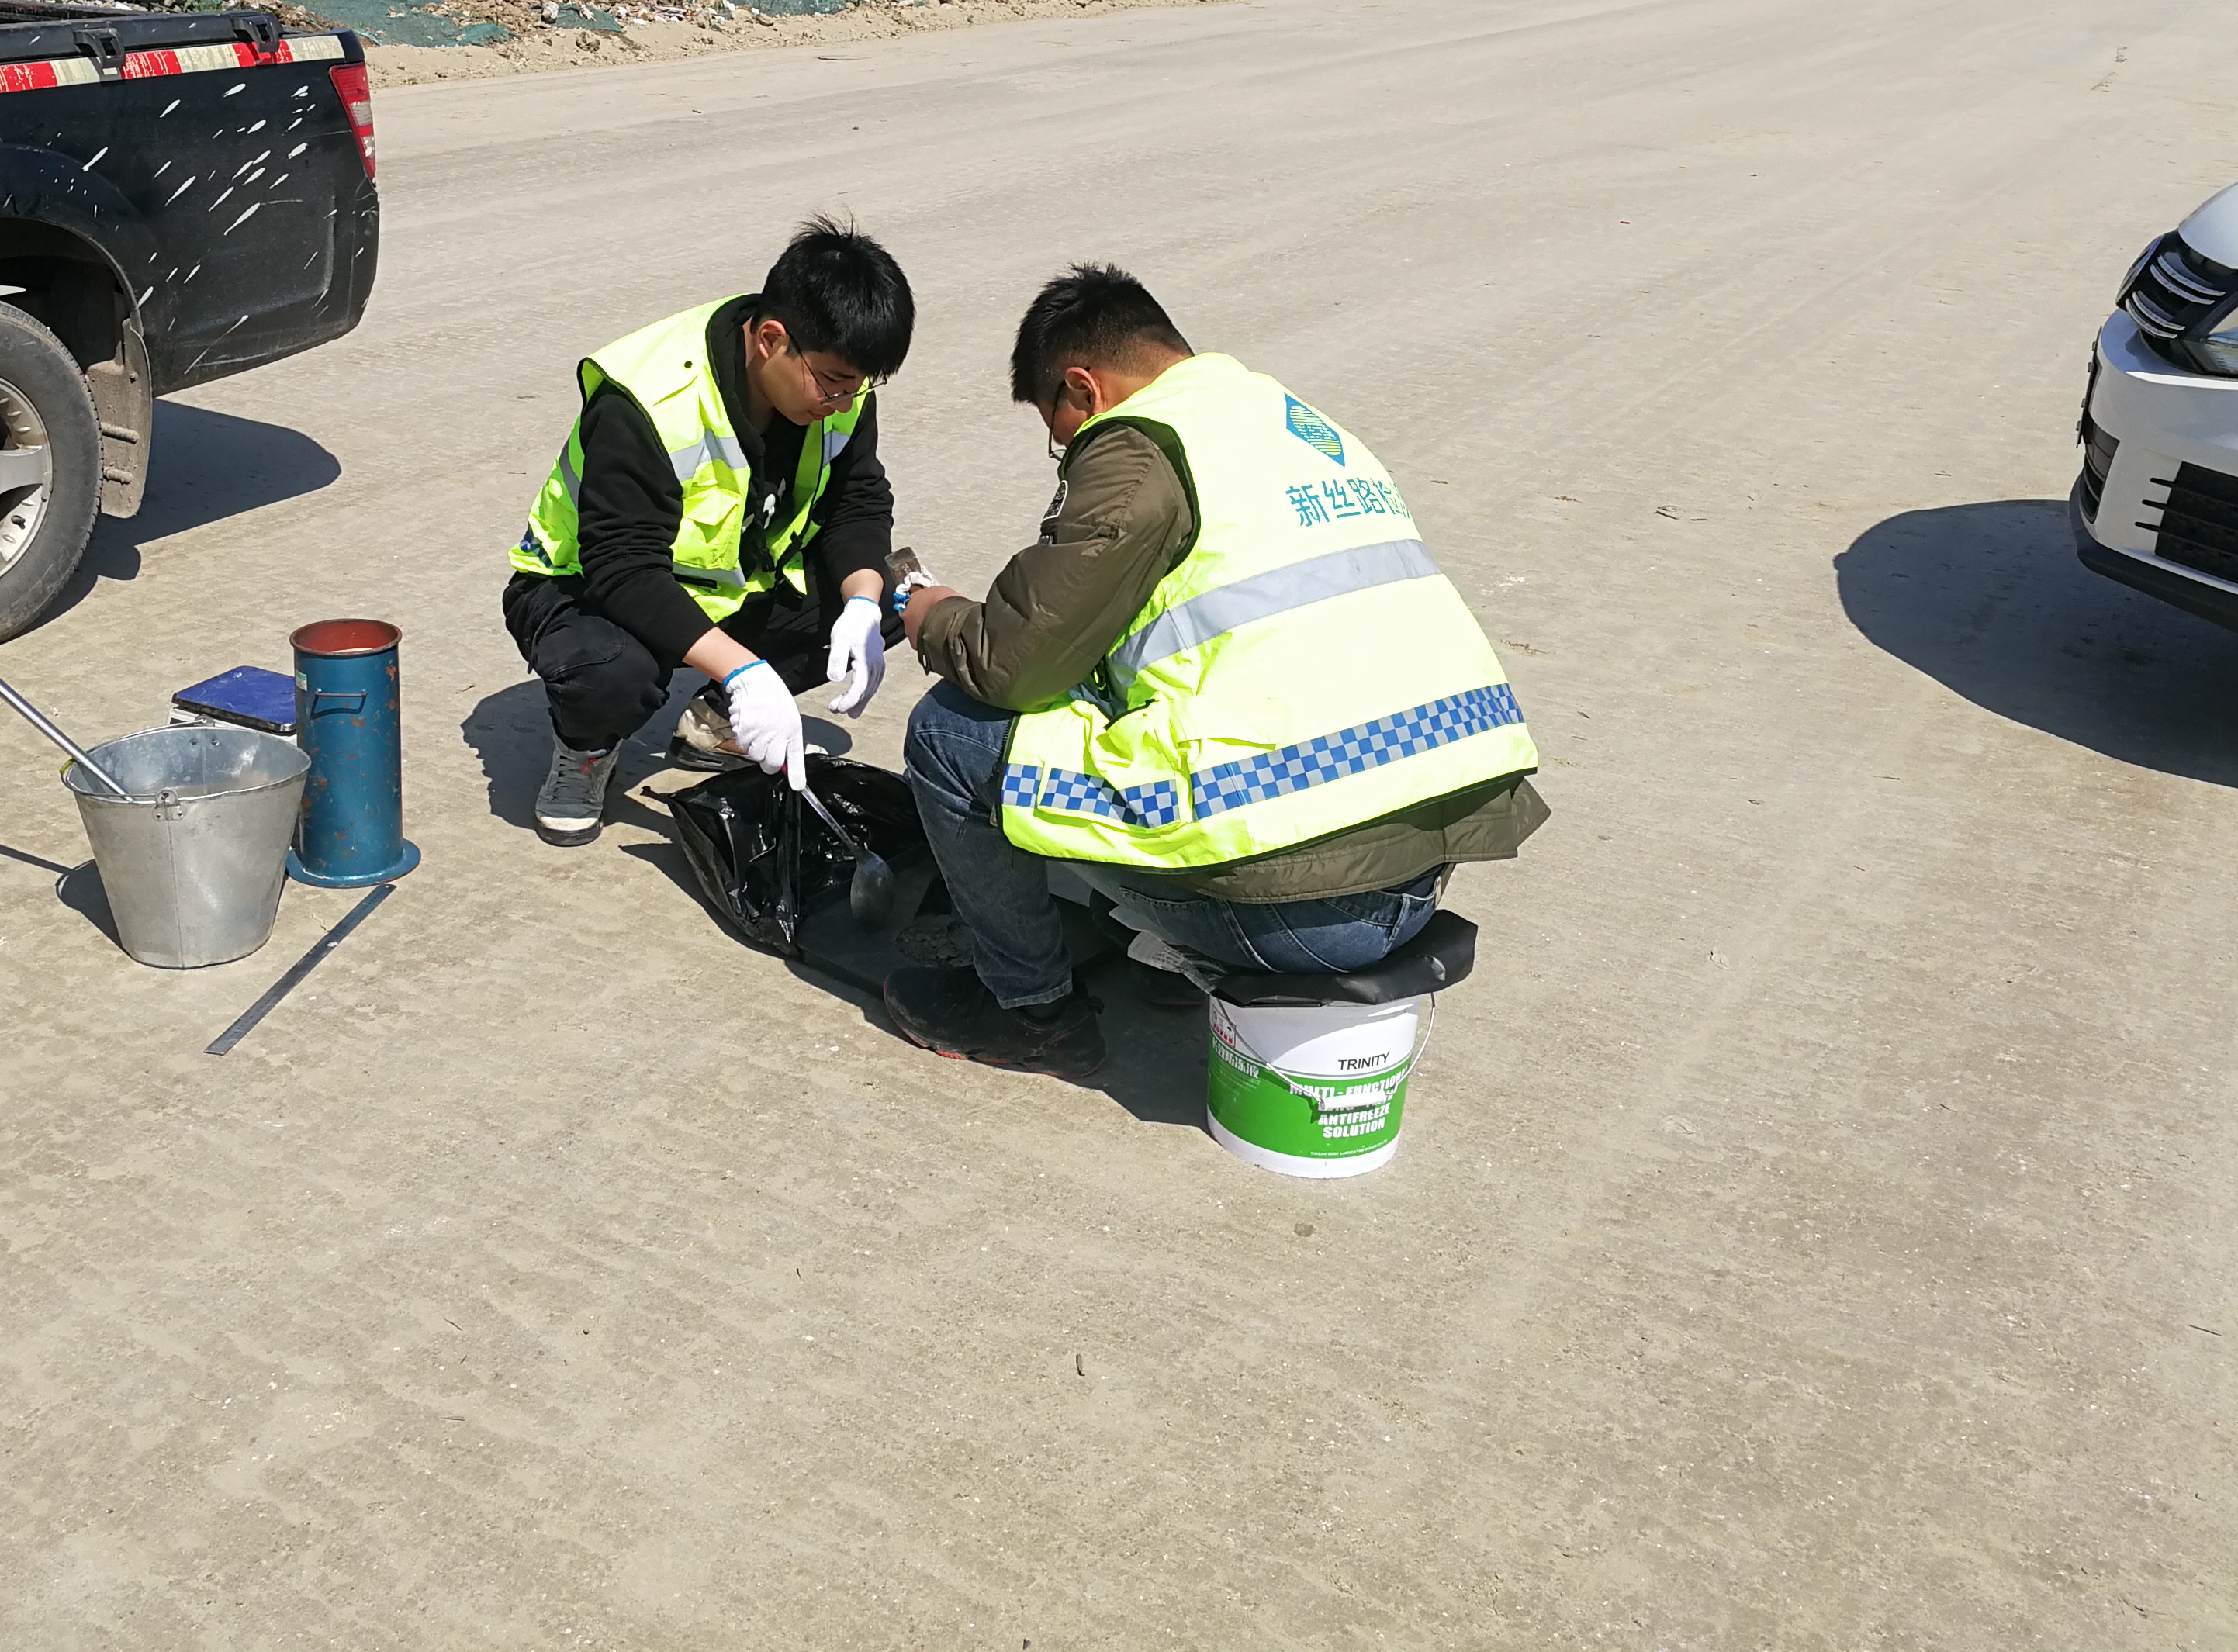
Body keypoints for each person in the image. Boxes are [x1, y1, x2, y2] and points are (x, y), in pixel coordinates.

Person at [884, 267, 1548, 1082]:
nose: (1066, 452)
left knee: (953, 733)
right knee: (1123, 708)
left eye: (1060, 430)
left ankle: (1030, 1013)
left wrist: (930, 612)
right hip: (1420, 872)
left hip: (1304, 914)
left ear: (1083, 387)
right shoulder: (1287, 420)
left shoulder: (1137, 453)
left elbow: (1010, 663)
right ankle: (1166, 962)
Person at [507, 218, 911, 845]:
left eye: (859, 385)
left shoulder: (838, 386)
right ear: (771, 339)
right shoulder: (651, 400)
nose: (844, 400)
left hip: (727, 583)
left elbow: (856, 502)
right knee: (607, 675)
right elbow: (622, 567)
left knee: (897, 594)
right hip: (587, 588)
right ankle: (585, 750)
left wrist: (862, 600)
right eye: (833, 382)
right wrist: (745, 669)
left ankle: (714, 724)